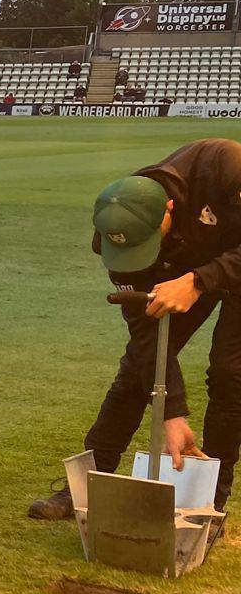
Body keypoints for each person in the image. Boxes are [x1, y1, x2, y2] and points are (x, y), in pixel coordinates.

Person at [34, 139, 241, 519]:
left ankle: (211, 502)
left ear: (169, 210)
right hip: (188, 266)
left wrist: (199, 280)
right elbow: (146, 335)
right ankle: (87, 485)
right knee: (136, 371)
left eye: (149, 242)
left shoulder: (228, 166)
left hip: (230, 258)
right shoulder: (117, 238)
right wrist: (172, 413)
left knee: (230, 373)